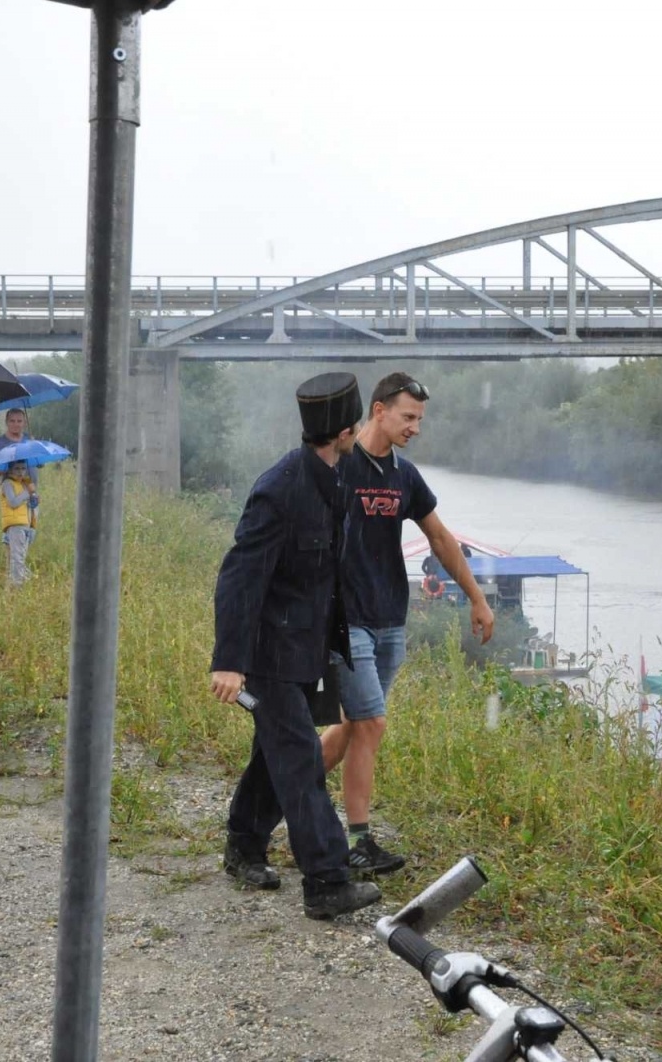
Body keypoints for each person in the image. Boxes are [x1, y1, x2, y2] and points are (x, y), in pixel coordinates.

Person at [209, 372, 381, 920]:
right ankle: (326, 881)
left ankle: (243, 845)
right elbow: (239, 579)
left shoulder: (338, 475)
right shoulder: (280, 489)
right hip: (268, 656)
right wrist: (229, 662)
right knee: (302, 758)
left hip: (310, 649)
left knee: (275, 755)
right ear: (345, 431)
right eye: (358, 425)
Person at [320, 372, 496, 875]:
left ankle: (274, 799)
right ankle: (359, 840)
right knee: (371, 722)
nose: (415, 427)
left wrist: (477, 598)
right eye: (408, 417)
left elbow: (440, 538)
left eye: (419, 419)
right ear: (379, 410)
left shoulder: (404, 476)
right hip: (344, 618)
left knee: (353, 725)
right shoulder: (339, 464)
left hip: (389, 620)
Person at [0, 459, 38, 587]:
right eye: (17, 468)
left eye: (23, 468)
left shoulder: (24, 484)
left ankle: (18, 583)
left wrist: (33, 498)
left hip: (26, 523)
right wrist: (27, 493)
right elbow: (13, 502)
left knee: (21, 556)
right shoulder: (7, 483)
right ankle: (17, 585)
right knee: (16, 557)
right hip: (15, 524)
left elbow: (29, 505)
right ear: (10, 469)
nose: (20, 472)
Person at [0, 408, 37, 484]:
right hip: (11, 488)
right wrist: (12, 460)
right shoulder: (0, 443)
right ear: (6, 422)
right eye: (12, 421)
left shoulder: (29, 439)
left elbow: (40, 464)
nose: (16, 424)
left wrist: (35, 447)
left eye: (19, 421)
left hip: (31, 487)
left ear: (24, 423)